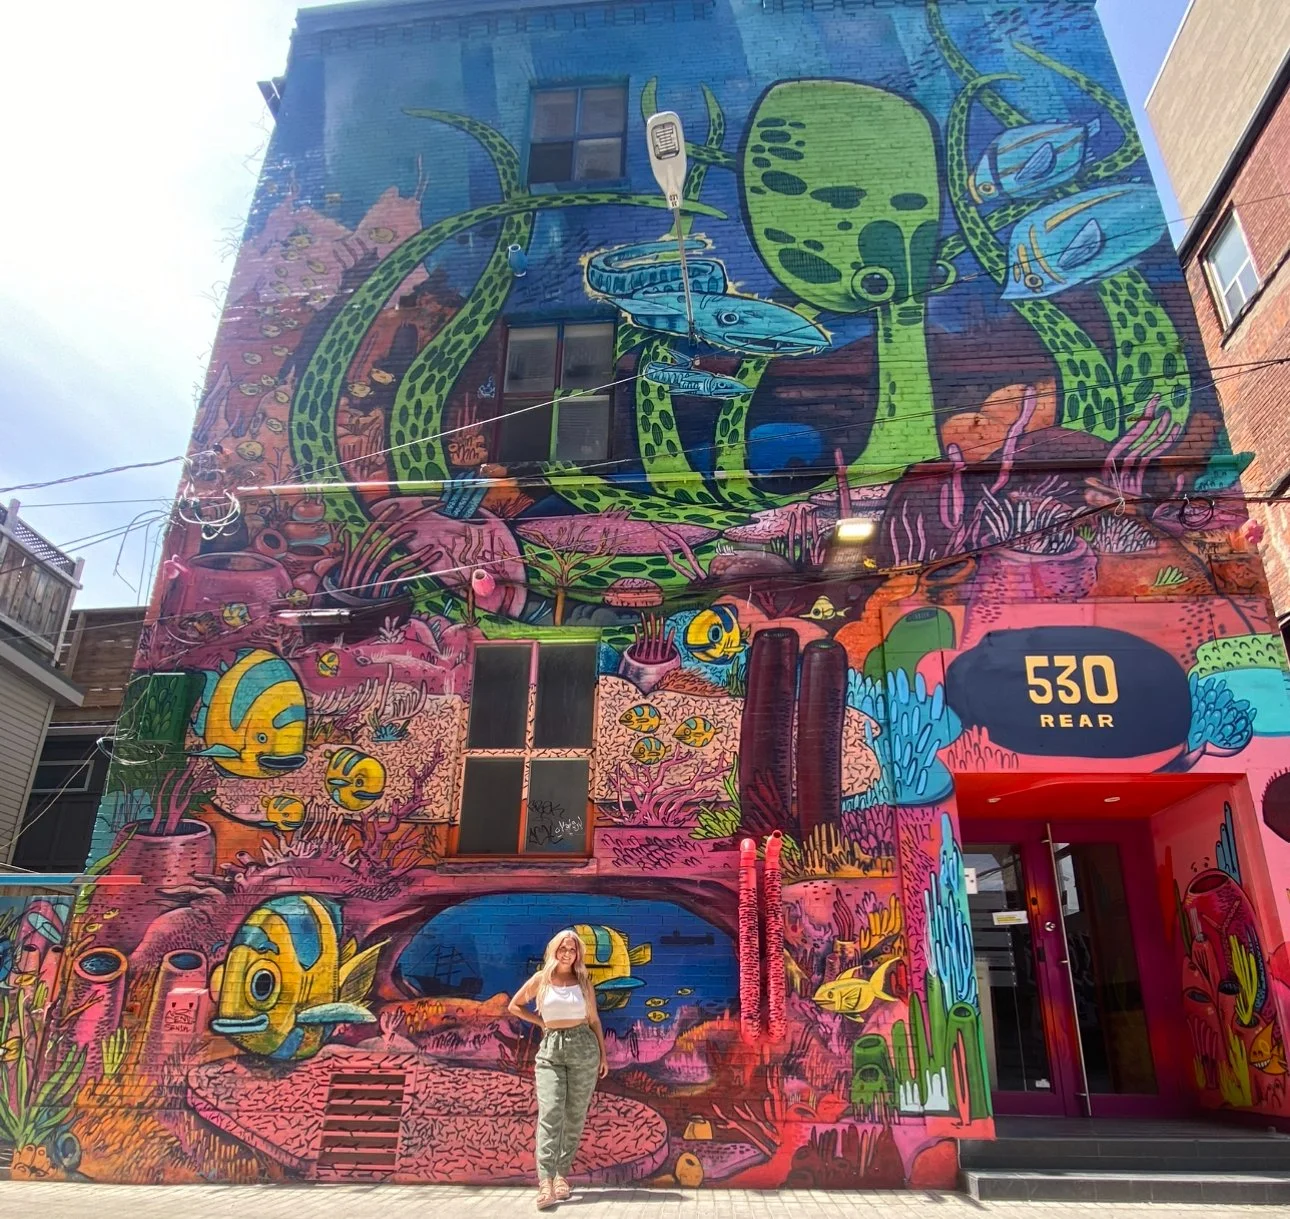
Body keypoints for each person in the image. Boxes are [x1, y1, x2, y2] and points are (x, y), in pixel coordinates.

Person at [508, 928, 609, 1210]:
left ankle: (562, 1175)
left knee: (575, 1115)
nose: (567, 953)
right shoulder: (541, 979)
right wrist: (542, 1023)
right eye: (563, 948)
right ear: (554, 950)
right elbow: (514, 1006)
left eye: (572, 949)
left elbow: (594, 1020)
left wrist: (603, 1056)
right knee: (551, 1112)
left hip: (583, 1047)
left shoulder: (583, 982)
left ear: (578, 954)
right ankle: (545, 1182)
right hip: (551, 1050)